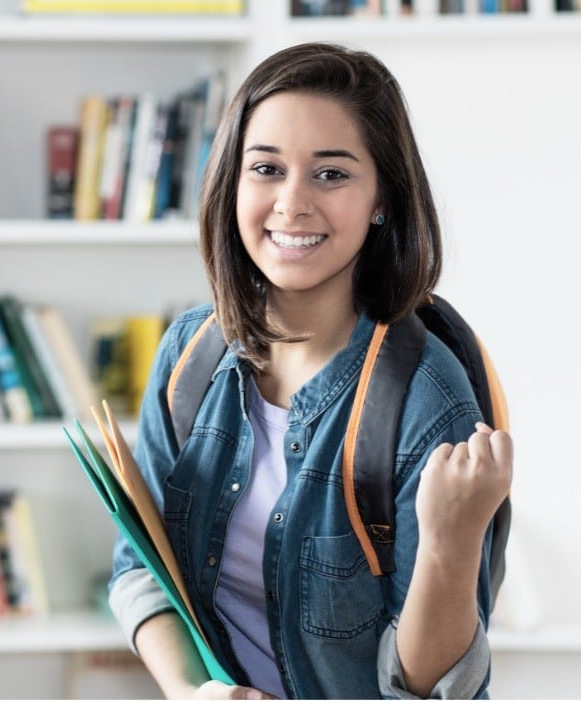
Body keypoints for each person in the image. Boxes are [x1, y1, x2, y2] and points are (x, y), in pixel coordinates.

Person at [108, 42, 513, 700]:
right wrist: (193, 693)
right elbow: (141, 568)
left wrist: (452, 539)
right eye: (266, 168)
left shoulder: (427, 402)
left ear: (382, 196)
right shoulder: (189, 357)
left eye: (331, 174)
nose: (291, 204)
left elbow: (433, 689)